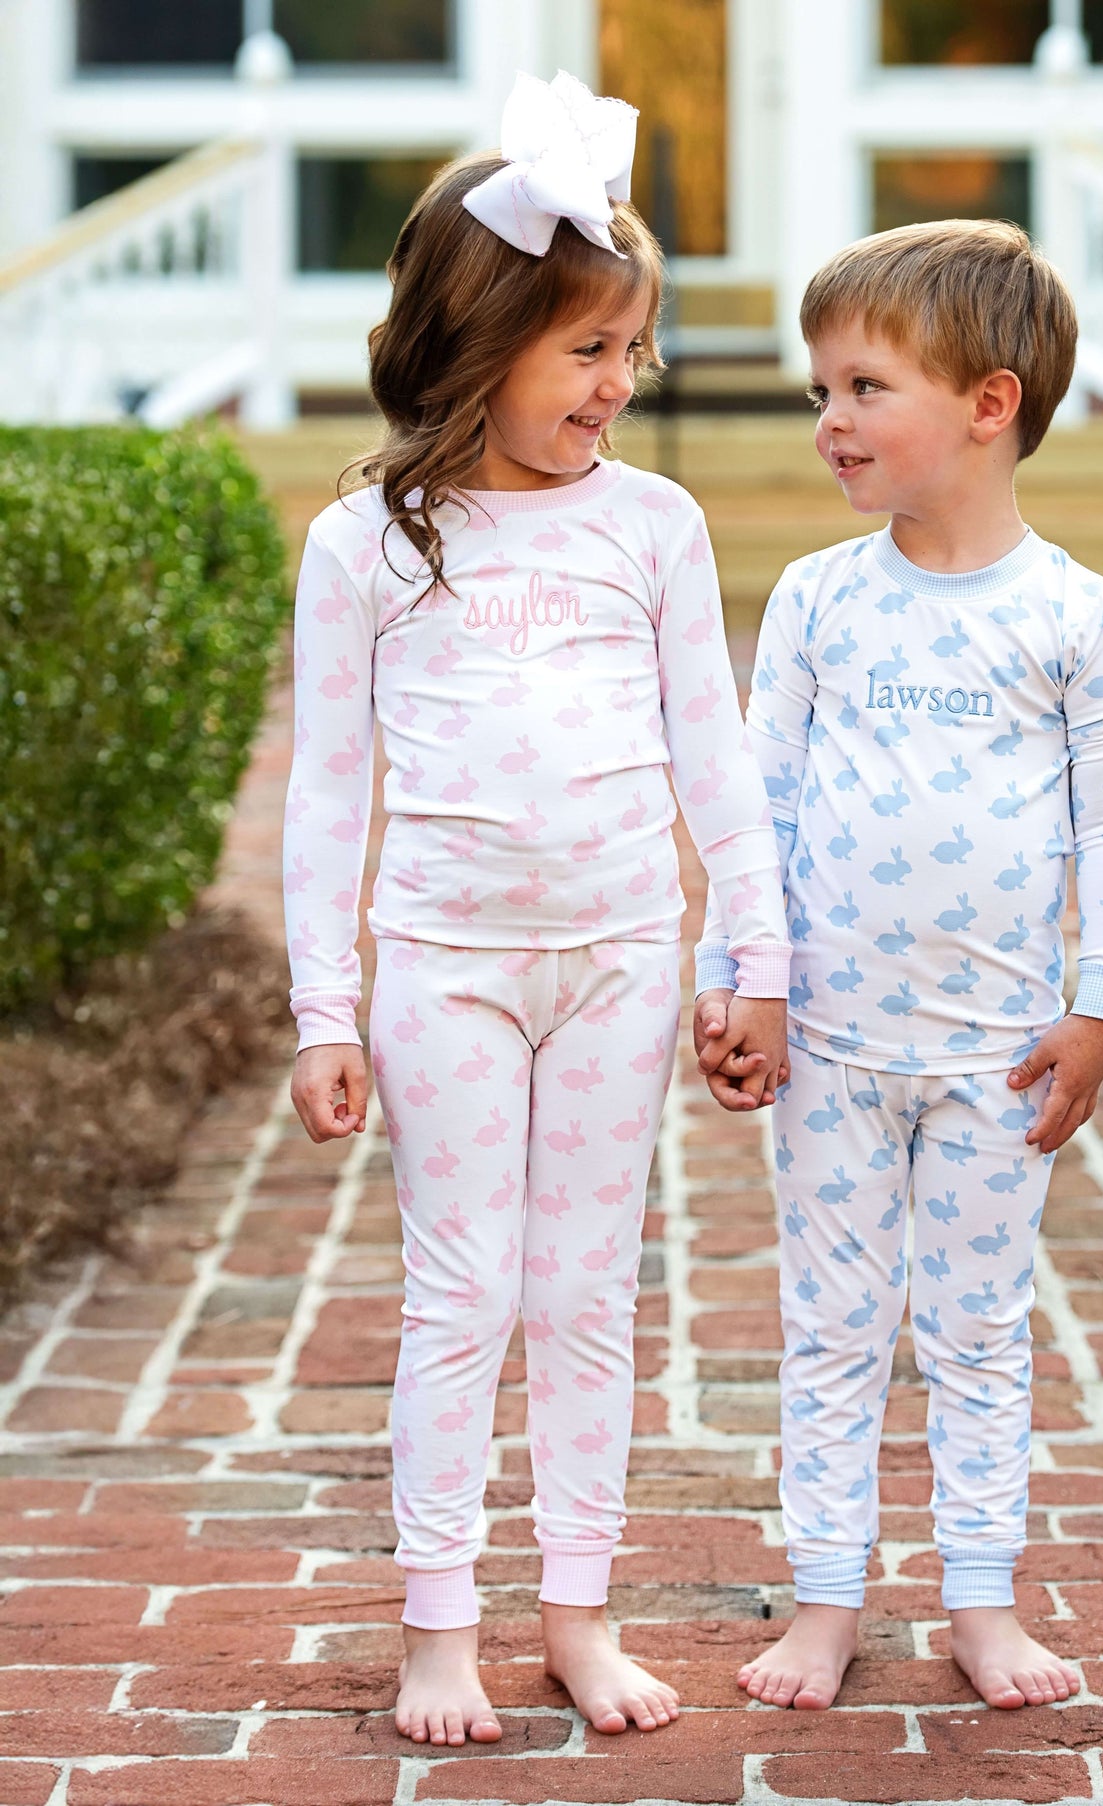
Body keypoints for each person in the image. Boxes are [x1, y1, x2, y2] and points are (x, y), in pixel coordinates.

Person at [282, 71, 789, 1747]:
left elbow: (715, 768)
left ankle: (577, 1608)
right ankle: (441, 1623)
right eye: (590, 350)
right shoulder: (369, 541)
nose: (621, 385)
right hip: (444, 962)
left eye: (630, 352)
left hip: (623, 956)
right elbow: (328, 790)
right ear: (476, 335)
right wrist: (324, 1009)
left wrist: (749, 961)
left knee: (584, 1290)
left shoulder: (655, 527)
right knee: (462, 1294)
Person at [694, 219, 1103, 1712]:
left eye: (860, 387)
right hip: (829, 1039)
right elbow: (754, 808)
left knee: (972, 1329)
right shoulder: (822, 602)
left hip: (996, 1053)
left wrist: (1100, 1005)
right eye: (819, 391)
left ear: (988, 402)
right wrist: (740, 976)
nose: (827, 423)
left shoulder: (1075, 616)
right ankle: (825, 1595)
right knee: (829, 1330)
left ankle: (978, 1598)